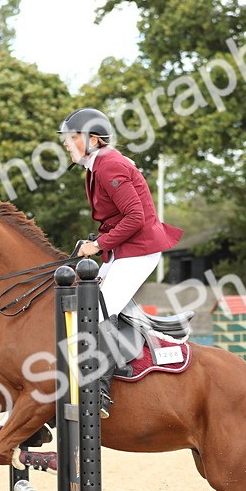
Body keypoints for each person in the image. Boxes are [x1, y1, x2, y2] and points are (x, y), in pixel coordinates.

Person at [58, 107, 183, 417]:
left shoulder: (109, 165)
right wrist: (96, 243)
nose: (65, 143)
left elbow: (136, 217)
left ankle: (100, 388)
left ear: (94, 139)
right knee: (91, 298)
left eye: (71, 138)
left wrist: (98, 245)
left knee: (98, 308)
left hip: (140, 249)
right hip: (124, 249)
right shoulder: (96, 165)